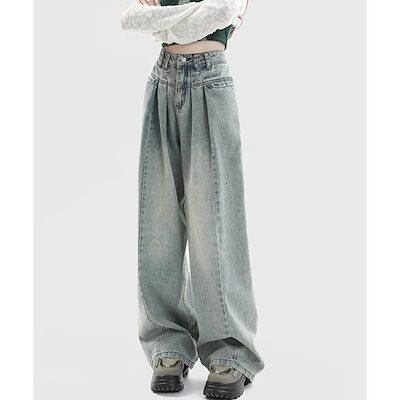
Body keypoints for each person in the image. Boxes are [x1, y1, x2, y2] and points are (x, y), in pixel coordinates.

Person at [121, 1, 264, 398]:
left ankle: (230, 352)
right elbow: (131, 19)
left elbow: (220, 12)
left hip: (210, 81)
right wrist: (188, 17)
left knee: (214, 224)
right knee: (159, 221)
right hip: (162, 80)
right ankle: (168, 345)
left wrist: (164, 25)